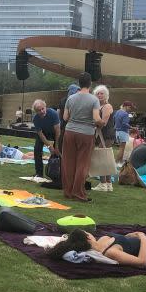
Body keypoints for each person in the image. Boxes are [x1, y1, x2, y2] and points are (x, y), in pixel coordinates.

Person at [47, 211, 146, 266]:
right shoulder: (110, 252)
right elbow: (141, 262)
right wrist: (141, 238)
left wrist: (129, 236)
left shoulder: (101, 244)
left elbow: (126, 244)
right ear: (87, 238)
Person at [61, 72, 100, 202]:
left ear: (79, 83)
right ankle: (78, 193)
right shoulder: (94, 99)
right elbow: (96, 118)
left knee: (68, 162)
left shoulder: (70, 98)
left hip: (70, 131)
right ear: (90, 84)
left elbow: (65, 117)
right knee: (82, 163)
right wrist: (102, 122)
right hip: (86, 133)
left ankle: (68, 191)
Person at [30, 99, 61, 180]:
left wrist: (56, 147)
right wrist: (49, 146)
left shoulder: (53, 114)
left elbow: (58, 131)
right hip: (44, 133)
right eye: (39, 110)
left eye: (43, 109)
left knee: (58, 151)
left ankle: (57, 172)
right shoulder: (36, 119)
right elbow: (40, 134)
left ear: (45, 107)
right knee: (37, 149)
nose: (42, 111)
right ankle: (39, 173)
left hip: (55, 132)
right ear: (36, 112)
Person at [93, 85, 115, 192]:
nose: (100, 95)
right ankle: (108, 183)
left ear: (106, 95)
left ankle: (103, 183)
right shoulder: (98, 107)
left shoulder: (107, 106)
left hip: (106, 135)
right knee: (105, 158)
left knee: (101, 158)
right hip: (103, 135)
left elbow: (103, 122)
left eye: (102, 93)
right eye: (98, 93)